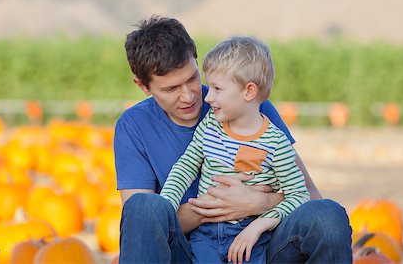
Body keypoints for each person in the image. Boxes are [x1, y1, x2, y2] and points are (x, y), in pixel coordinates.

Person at [115, 15, 352, 263]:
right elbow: (146, 229)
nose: (189, 96)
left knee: (327, 215)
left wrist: (260, 202)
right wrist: (216, 205)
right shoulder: (132, 127)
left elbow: (309, 195)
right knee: (143, 206)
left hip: (258, 246)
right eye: (171, 89)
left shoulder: (246, 106)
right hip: (189, 251)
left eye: (192, 79)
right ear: (142, 86)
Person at [159, 36, 311, 264]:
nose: (208, 97)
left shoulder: (276, 143)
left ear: (249, 92)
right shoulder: (210, 124)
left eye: (217, 88)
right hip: (205, 235)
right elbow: (187, 165)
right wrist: (167, 204)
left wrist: (260, 224)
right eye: (209, 87)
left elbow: (299, 196)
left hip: (251, 236)